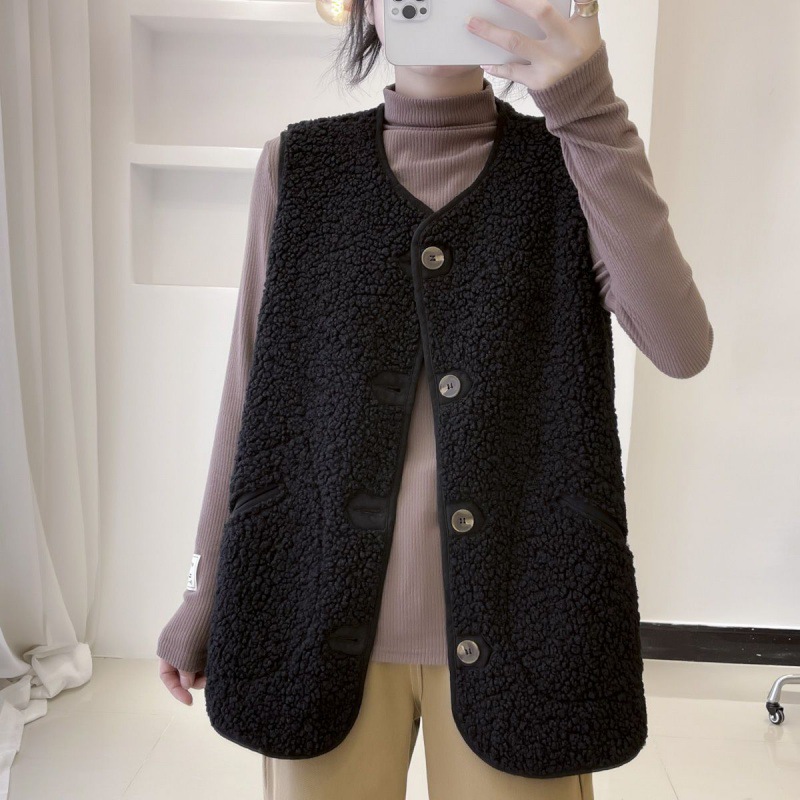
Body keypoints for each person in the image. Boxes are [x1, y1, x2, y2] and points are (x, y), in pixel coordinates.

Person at [157, 1, 714, 798]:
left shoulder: (574, 162)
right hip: (316, 613)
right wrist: (203, 586)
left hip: (527, 622)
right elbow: (251, 391)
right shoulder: (299, 167)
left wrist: (586, 105)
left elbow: (681, 346)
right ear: (369, 11)